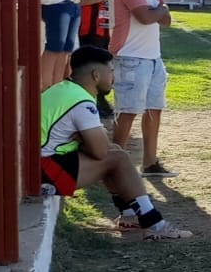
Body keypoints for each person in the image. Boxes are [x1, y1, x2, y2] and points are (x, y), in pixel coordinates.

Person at [40, 46, 191, 240]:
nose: (114, 76)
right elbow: (101, 152)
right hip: (43, 172)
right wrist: (91, 142)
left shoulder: (63, 89)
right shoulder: (81, 102)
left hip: (38, 163)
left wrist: (88, 141)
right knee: (117, 157)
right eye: (111, 71)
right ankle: (154, 223)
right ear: (96, 75)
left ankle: (130, 215)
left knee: (115, 150)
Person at [110, 0, 177, 178]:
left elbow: (165, 20)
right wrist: (162, 11)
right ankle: (114, 165)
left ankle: (150, 163)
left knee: (153, 110)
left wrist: (160, 13)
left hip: (152, 58)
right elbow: (146, 17)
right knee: (128, 111)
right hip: (131, 58)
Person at [78, 0, 115, 116]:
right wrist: (101, 0)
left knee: (104, 68)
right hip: (89, 32)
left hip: (105, 33)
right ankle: (95, 102)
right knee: (92, 69)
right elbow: (79, 0)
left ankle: (100, 100)